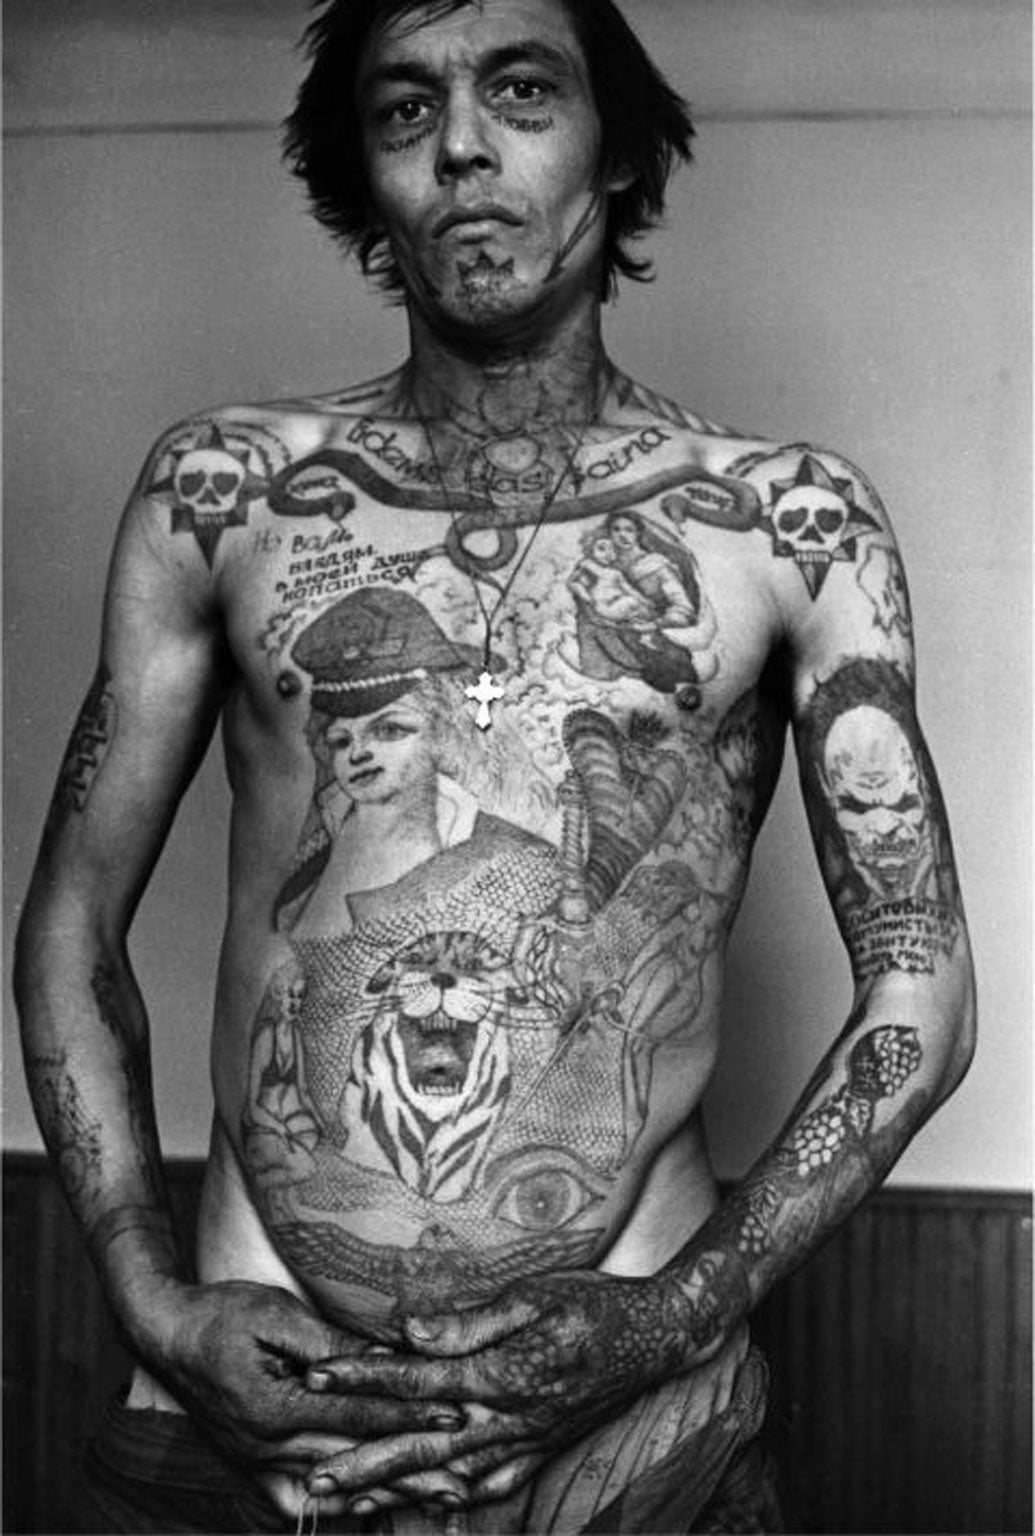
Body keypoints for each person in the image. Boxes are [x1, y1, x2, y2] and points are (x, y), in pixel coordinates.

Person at [13, 0, 976, 1531]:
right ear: (365, 174)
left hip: (635, 1430)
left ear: (618, 149)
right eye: (405, 109)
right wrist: (151, 1300)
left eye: (521, 91)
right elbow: (72, 927)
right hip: (251, 1407)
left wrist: (671, 1317)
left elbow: (923, 993)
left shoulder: (788, 525)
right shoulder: (225, 496)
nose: (462, 144)